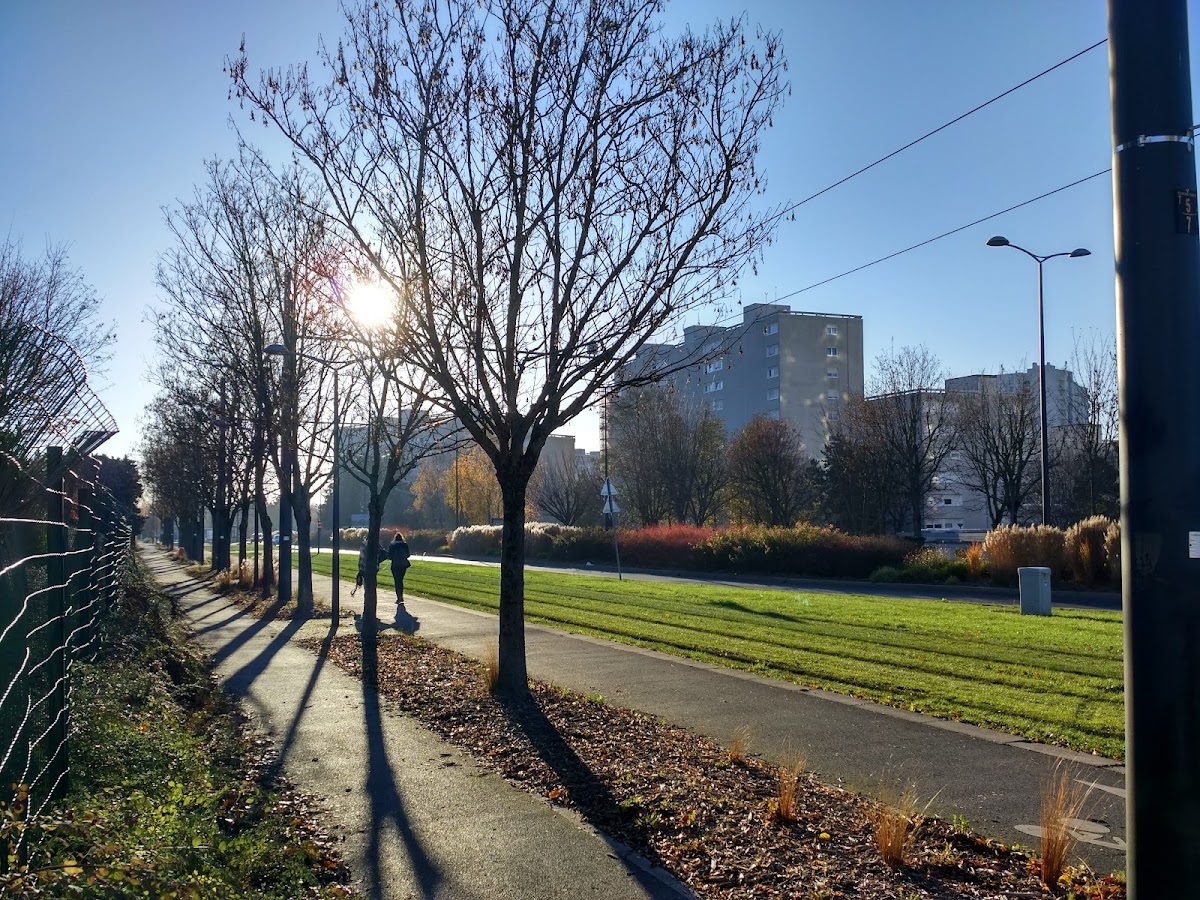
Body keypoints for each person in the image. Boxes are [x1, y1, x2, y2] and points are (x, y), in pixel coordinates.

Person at [386, 531, 411, 605]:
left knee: (397, 581)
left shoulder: (392, 545)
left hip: (395, 565)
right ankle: (401, 595)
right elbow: (408, 555)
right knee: (400, 580)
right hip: (403, 565)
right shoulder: (405, 545)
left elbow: (389, 556)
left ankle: (399, 597)